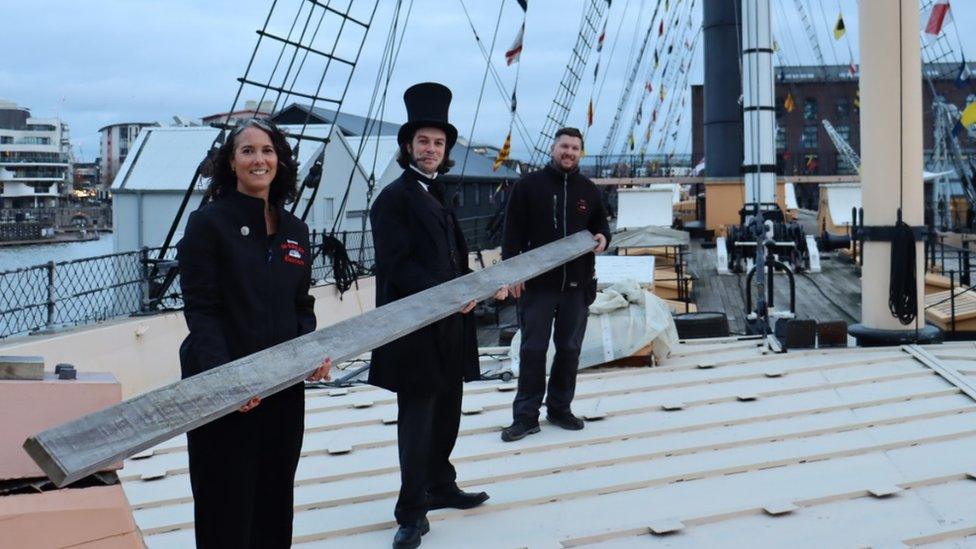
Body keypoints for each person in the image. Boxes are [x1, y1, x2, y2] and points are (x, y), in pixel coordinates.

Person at [177, 118, 332, 548]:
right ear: (232, 162)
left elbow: (302, 306)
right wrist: (227, 382)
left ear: (279, 161)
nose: (258, 159)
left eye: (267, 150)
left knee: (274, 500)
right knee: (224, 506)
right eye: (247, 151)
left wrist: (309, 352)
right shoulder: (207, 225)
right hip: (223, 389)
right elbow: (202, 311)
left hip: (281, 391)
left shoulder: (295, 231)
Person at [369, 82, 508, 549]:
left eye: (439, 143)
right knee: (418, 418)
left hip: (451, 327)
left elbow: (451, 260)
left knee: (448, 409)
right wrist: (449, 294)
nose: (431, 149)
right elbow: (397, 265)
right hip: (415, 331)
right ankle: (411, 510)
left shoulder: (436, 195)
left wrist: (474, 287)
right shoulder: (393, 199)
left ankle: (441, 484)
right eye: (424, 141)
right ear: (408, 146)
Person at [500, 126, 611, 442]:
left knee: (569, 349)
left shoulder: (589, 190)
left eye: (575, 148)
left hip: (577, 286)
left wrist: (604, 237)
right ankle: (525, 416)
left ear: (580, 153)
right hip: (537, 286)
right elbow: (512, 234)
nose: (569, 153)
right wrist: (513, 273)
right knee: (533, 349)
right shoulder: (528, 187)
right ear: (553, 148)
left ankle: (560, 408)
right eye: (565, 146)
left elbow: (600, 225)